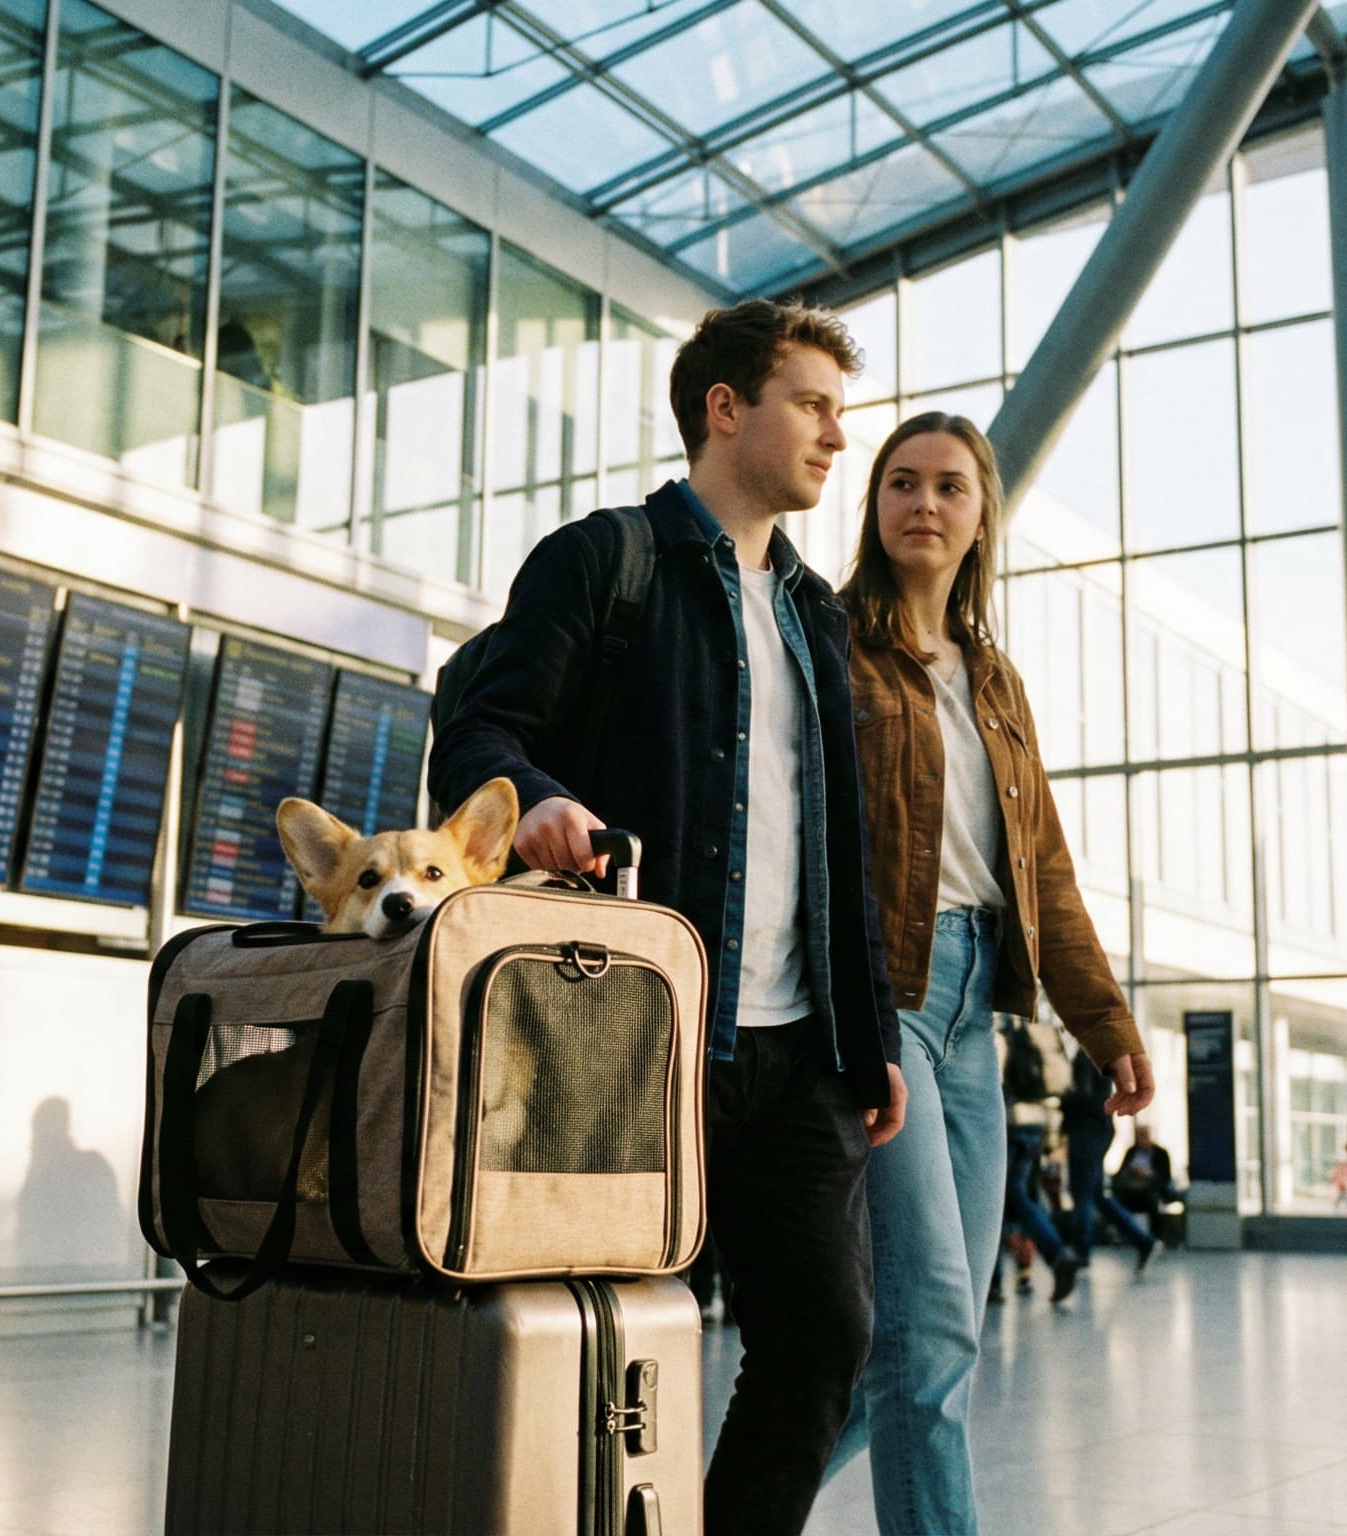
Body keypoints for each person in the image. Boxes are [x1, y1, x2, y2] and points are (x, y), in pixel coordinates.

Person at [428, 299, 905, 1531]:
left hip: (799, 1051)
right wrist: (533, 798)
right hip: (630, 1038)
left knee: (825, 1340)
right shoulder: (605, 560)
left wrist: (870, 1033)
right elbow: (477, 733)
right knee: (622, 1352)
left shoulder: (814, 615)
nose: (835, 438)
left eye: (839, 413)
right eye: (812, 404)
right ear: (724, 408)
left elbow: (836, 846)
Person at [815, 411, 1150, 1535]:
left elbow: (1043, 874)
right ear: (873, 507)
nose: (923, 503)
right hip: (883, 998)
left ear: (979, 515)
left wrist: (1106, 1026)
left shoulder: (995, 681)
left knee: (913, 1346)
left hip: (972, 1019)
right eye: (900, 483)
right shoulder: (829, 640)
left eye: (949, 487)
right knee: (933, 1329)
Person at [1000, 1014, 1082, 1303]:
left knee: (1004, 1196)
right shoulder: (1030, 1029)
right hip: (1035, 1121)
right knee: (1018, 1194)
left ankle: (1057, 1256)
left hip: (1007, 1122)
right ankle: (998, 1282)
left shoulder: (996, 1025)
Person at [1063, 1046, 1163, 1272]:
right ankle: (1143, 1241)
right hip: (1098, 1130)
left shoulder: (1087, 1056)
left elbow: (1086, 1098)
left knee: (1083, 1193)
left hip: (1087, 1131)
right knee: (1096, 1194)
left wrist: (1063, 1099)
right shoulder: (1097, 1054)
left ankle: (1081, 1252)